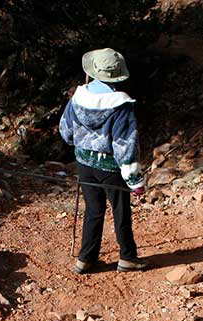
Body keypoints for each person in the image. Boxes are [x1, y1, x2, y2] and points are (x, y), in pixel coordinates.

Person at [59, 47, 148, 274]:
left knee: (93, 210)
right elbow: (125, 145)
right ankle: (127, 257)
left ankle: (85, 260)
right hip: (110, 167)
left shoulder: (78, 97)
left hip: (84, 163)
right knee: (120, 211)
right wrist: (135, 181)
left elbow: (66, 132)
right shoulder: (121, 104)